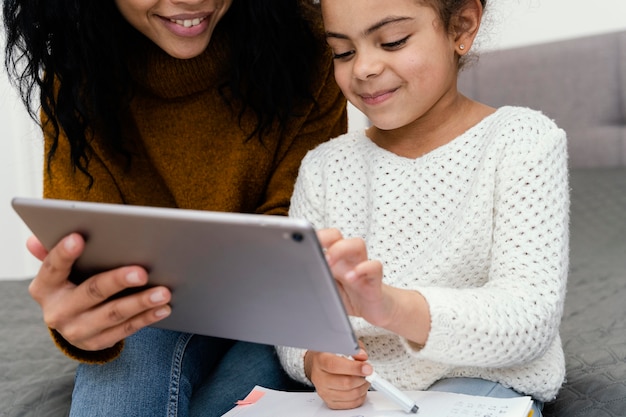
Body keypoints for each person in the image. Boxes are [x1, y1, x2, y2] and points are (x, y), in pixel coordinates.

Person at [3, 0, 347, 416]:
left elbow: (296, 235)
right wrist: (83, 322)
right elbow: (92, 267)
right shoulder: (77, 67)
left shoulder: (312, 47)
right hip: (151, 311)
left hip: (274, 309)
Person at [276, 1, 569, 416]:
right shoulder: (323, 166)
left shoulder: (523, 141)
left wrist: (391, 307)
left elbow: (529, 317)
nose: (363, 68)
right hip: (369, 396)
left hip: (480, 383)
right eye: (343, 52)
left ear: (461, 27)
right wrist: (314, 361)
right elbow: (293, 312)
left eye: (392, 41)